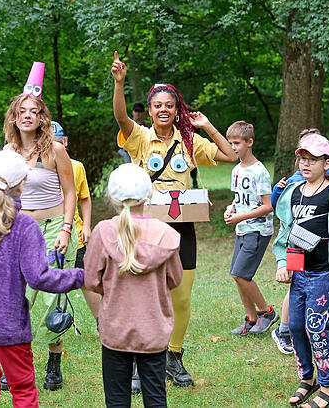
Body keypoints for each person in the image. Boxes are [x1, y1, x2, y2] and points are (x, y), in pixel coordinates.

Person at [111, 51, 237, 387]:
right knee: (142, 294)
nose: (163, 110)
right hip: (146, 225)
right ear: (150, 110)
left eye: (169, 105)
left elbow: (230, 154)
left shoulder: (190, 141)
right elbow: (121, 117)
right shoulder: (139, 137)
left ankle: (173, 357)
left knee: (181, 296)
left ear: (177, 109)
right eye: (157, 106)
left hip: (182, 227)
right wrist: (119, 83)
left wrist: (206, 125)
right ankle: (138, 360)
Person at [0, 150, 84, 407]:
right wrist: (80, 276)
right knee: (23, 390)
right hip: (9, 326)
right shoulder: (26, 227)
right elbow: (39, 278)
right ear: (22, 185)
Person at [2, 75, 79, 391]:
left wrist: (66, 229)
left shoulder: (55, 149)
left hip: (54, 230)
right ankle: (13, 366)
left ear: (41, 117)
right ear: (14, 117)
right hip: (21, 232)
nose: (27, 115)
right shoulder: (8, 151)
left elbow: (71, 192)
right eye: (22, 111)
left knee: (50, 301)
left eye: (34, 111)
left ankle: (54, 361)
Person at [271, 133, 329, 408]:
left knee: (316, 328)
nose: (306, 164)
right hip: (299, 273)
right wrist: (283, 263)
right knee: (296, 327)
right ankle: (307, 378)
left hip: (324, 275)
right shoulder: (293, 193)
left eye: (313, 159)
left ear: (326, 163)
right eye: (303, 159)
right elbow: (285, 234)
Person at [84, 163, 182, 407]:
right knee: (156, 398)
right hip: (154, 329)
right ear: (149, 194)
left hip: (116, 328)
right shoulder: (165, 234)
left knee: (116, 399)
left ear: (110, 196)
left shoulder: (103, 232)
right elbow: (175, 279)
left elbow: (91, 280)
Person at [223, 121, 277, 335]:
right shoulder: (236, 170)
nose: (233, 147)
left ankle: (267, 312)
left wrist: (240, 217)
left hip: (257, 231)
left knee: (241, 275)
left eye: (237, 143)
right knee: (237, 275)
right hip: (242, 229)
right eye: (230, 143)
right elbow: (238, 198)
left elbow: (268, 205)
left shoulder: (259, 172)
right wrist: (231, 209)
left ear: (249, 142)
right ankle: (251, 319)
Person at [51, 121, 100, 319]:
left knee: (86, 278)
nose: (54, 147)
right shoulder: (38, 169)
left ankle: (102, 321)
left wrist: (86, 225)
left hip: (75, 234)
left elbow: (84, 198)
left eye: (58, 142)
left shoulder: (77, 167)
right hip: (48, 232)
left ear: (65, 142)